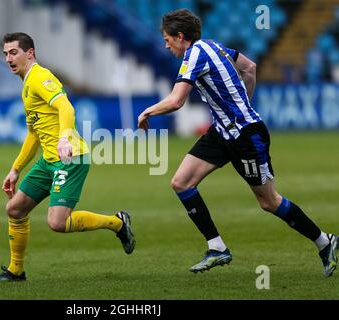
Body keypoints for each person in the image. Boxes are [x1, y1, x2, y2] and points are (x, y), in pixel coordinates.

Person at [138, 9, 337, 276]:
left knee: (269, 202)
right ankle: (217, 247)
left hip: (246, 136)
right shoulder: (213, 45)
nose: (165, 44)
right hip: (222, 132)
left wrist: (147, 112)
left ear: (180, 36)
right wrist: (243, 102)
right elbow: (250, 68)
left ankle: (325, 241)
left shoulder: (194, 54)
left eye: (167, 38)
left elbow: (176, 100)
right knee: (181, 182)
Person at [0, 32, 135, 283]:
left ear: (29, 53)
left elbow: (66, 107)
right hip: (48, 161)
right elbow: (34, 133)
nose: (8, 58)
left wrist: (65, 138)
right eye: (5, 54)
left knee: (57, 223)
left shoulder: (40, 77)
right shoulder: (27, 83)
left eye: (13, 52)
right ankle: (15, 271)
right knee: (15, 209)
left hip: (70, 158)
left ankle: (117, 223)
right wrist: (16, 169)